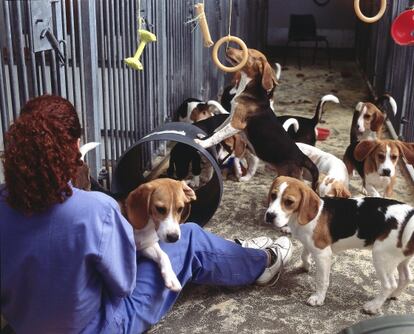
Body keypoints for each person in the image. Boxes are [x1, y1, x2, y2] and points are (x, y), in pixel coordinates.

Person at [0, 95, 293, 334]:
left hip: (24, 325)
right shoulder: (95, 209)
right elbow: (123, 284)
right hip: (102, 326)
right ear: (75, 148)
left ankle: (240, 252)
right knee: (187, 238)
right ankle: (263, 261)